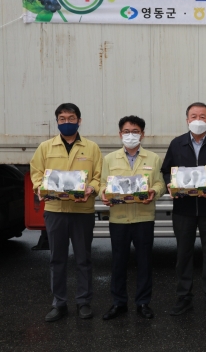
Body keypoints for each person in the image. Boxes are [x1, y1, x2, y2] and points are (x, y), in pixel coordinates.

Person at [30, 103, 102, 322]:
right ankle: (59, 304)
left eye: (71, 118)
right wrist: (40, 188)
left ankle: (83, 302)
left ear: (79, 121)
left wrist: (91, 189)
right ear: (57, 121)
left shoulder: (92, 148)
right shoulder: (45, 147)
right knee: (57, 259)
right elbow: (36, 174)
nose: (67, 122)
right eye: (62, 119)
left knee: (83, 259)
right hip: (55, 211)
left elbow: (98, 177)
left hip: (82, 211)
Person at [160, 102, 206, 316]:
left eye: (202, 116)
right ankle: (184, 298)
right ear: (187, 120)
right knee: (183, 255)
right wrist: (170, 183)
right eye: (194, 116)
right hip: (183, 209)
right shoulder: (177, 144)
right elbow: (166, 170)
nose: (198, 120)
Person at [100, 116, 166, 320]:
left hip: (143, 218)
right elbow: (102, 184)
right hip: (118, 218)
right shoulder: (110, 159)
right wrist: (104, 194)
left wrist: (154, 191)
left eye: (135, 131)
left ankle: (143, 303)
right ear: (120, 134)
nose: (131, 135)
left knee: (144, 262)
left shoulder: (153, 158)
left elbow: (161, 184)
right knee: (118, 262)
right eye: (127, 131)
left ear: (142, 134)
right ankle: (118, 303)